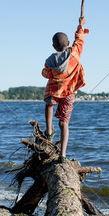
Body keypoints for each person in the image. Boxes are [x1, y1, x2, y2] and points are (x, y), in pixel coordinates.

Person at [42, 16, 86, 162]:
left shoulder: (50, 61)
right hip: (69, 92)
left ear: (53, 46)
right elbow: (79, 40)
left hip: (55, 91)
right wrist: (81, 25)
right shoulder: (74, 53)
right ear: (67, 44)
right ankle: (63, 155)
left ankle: (48, 131)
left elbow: (46, 73)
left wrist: (46, 73)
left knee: (49, 103)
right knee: (63, 123)